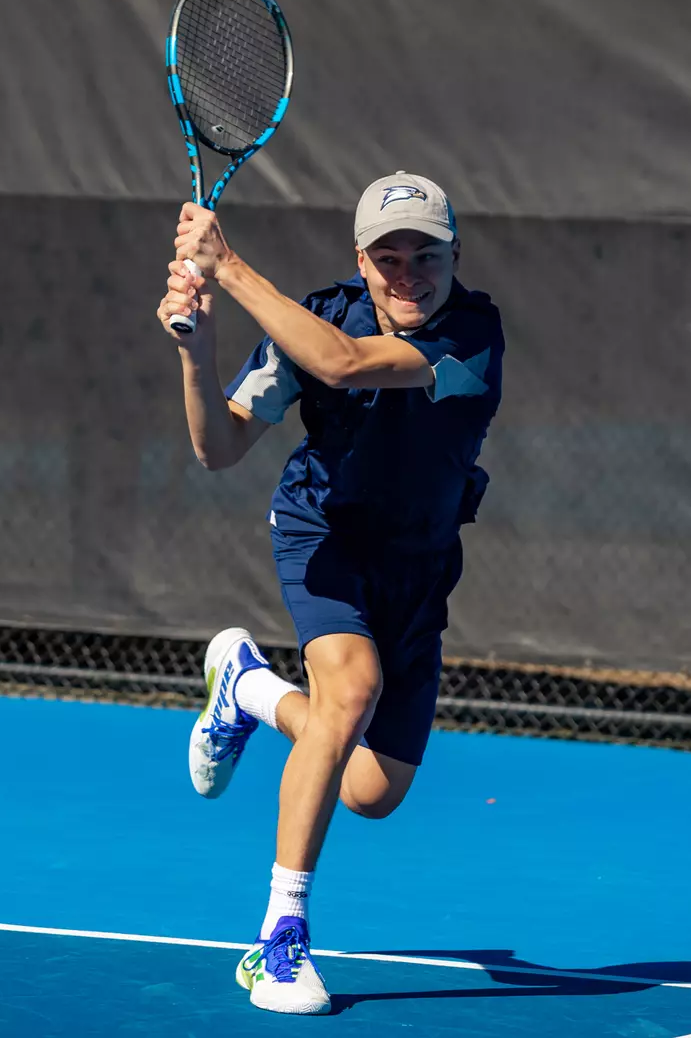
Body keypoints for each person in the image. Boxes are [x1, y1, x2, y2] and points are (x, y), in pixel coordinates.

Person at [157, 171, 504, 1015]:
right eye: (389, 258)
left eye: (426, 255)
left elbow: (344, 367)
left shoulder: (472, 335)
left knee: (369, 792)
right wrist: (196, 351)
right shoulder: (316, 317)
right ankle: (279, 942)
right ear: (361, 260)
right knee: (349, 690)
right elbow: (218, 448)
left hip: (419, 567)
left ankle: (247, 688)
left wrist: (228, 266)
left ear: (454, 256)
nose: (408, 274)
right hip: (324, 537)